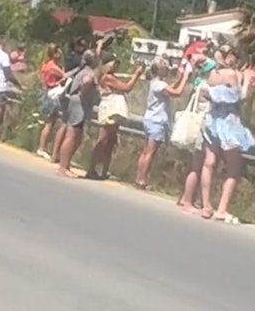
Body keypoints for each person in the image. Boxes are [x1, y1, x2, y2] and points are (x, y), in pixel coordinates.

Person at [199, 48, 254, 223]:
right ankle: (222, 209)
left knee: (209, 163)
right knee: (234, 167)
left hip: (212, 120)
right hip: (229, 123)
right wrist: (246, 81)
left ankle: (206, 205)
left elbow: (208, 94)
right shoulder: (232, 74)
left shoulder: (214, 74)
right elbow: (239, 97)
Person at [86, 54, 144, 180]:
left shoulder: (110, 77)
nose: (116, 66)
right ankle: (92, 168)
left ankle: (103, 170)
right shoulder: (107, 78)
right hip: (110, 108)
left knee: (110, 141)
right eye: (113, 63)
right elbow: (126, 88)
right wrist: (136, 75)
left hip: (113, 109)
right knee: (103, 140)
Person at [135, 58, 189, 190]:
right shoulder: (159, 85)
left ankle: (139, 177)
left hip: (150, 119)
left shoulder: (155, 83)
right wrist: (185, 78)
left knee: (145, 151)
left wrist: (179, 79)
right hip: (156, 121)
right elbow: (176, 93)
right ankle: (142, 179)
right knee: (150, 152)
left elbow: (170, 89)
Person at [177, 56, 216, 214]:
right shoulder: (206, 88)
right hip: (201, 126)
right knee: (196, 166)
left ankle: (185, 198)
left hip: (198, 125)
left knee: (195, 164)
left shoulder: (198, 83)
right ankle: (188, 200)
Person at [57, 49, 100, 178]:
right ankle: (63, 167)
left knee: (77, 136)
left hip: (77, 103)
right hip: (80, 105)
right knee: (72, 135)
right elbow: (86, 82)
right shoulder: (89, 73)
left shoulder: (82, 71)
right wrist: (84, 93)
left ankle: (66, 165)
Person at [36, 45, 66, 160]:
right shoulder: (53, 67)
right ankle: (42, 148)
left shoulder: (45, 64)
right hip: (53, 93)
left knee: (49, 122)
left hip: (46, 92)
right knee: (49, 123)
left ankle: (42, 147)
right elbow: (64, 75)